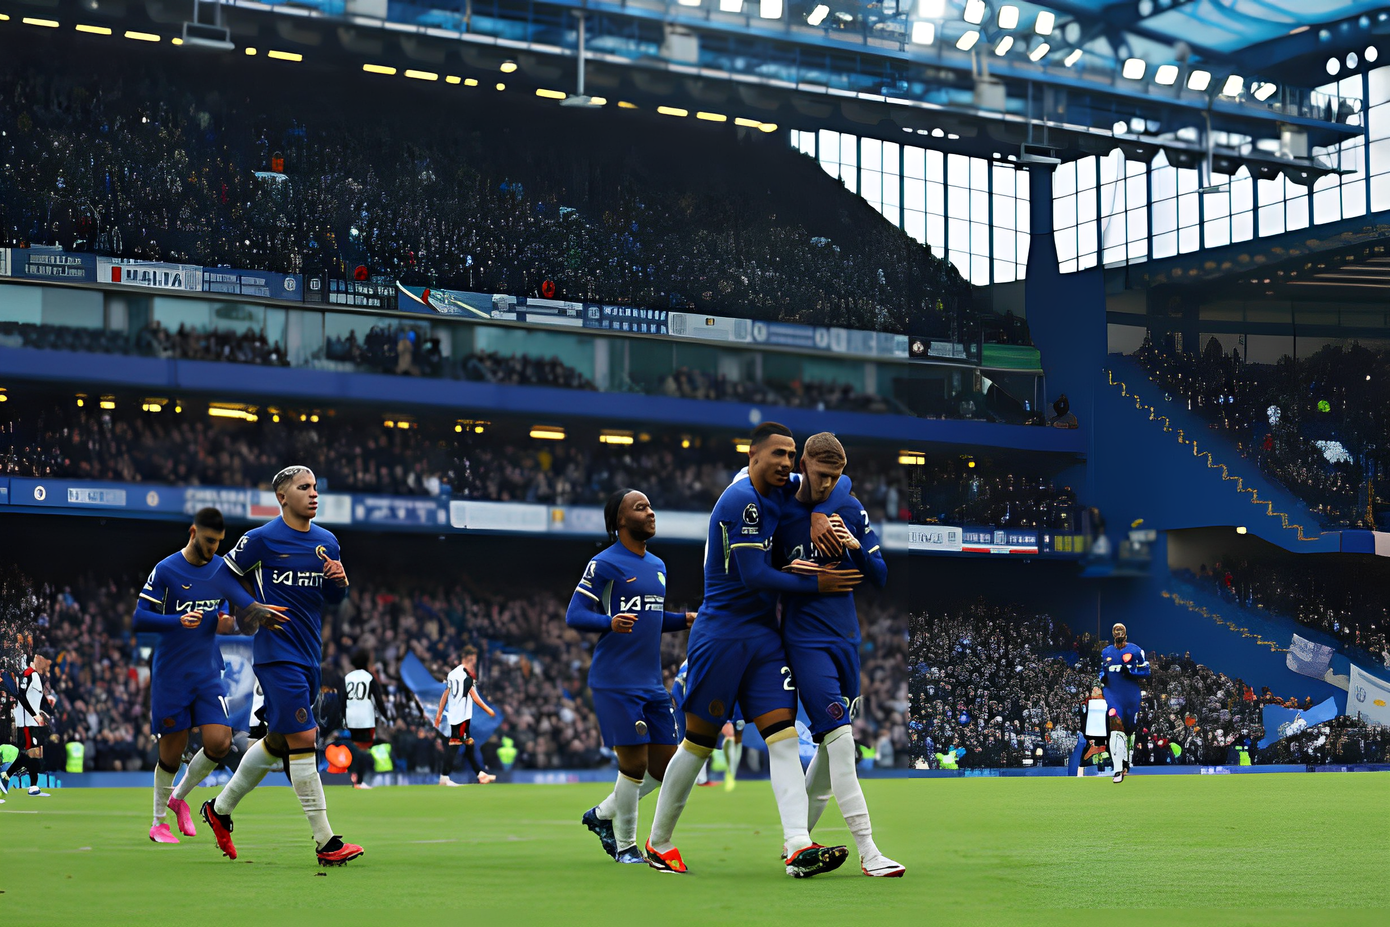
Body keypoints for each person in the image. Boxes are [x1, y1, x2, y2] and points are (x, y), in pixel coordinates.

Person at [644, 421, 862, 877]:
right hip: (722, 634)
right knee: (699, 744)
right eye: (777, 454)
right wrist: (817, 582)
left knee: (782, 738)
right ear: (753, 455)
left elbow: (835, 484)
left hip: (764, 638)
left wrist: (823, 513)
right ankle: (659, 841)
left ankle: (797, 845)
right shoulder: (742, 499)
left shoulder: (788, 487)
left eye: (791, 454)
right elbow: (754, 576)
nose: (785, 462)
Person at [200, 465, 364, 866]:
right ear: (282, 497)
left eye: (314, 487)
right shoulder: (261, 539)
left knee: (277, 743)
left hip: (310, 654)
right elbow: (220, 575)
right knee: (305, 738)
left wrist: (340, 583)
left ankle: (218, 811)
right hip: (276, 654)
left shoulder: (327, 542)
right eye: (303, 488)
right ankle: (326, 843)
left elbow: (332, 600)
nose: (313, 494)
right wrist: (250, 606)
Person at [777, 433, 903, 877]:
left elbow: (881, 575)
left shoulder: (847, 507)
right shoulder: (778, 507)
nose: (827, 483)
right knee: (842, 743)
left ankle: (798, 853)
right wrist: (786, 570)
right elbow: (760, 572)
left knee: (830, 761)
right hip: (805, 642)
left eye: (835, 476)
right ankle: (870, 853)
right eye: (820, 474)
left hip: (846, 640)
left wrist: (851, 544)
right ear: (804, 464)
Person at [133, 507, 283, 844]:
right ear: (193, 533)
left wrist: (245, 623)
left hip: (207, 668)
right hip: (172, 671)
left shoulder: (221, 571)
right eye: (209, 540)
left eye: (219, 542)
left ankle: (178, 798)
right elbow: (139, 618)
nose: (215, 547)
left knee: (220, 742)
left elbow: (226, 620)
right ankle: (158, 822)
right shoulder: (167, 570)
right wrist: (176, 621)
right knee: (172, 753)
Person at [570, 489, 695, 864]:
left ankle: (602, 814)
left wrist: (684, 619)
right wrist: (608, 622)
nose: (650, 512)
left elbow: (653, 618)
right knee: (635, 765)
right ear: (621, 520)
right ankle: (626, 847)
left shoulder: (658, 564)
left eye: (650, 505)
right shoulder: (604, 564)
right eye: (640, 508)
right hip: (614, 680)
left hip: (651, 682)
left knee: (665, 765)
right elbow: (574, 614)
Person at [434, 646, 497, 785]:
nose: (474, 662)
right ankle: (444, 777)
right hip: (461, 717)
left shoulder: (452, 674)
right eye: (473, 659)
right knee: (455, 746)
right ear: (468, 658)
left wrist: (439, 714)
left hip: (455, 715)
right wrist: (489, 710)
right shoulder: (467, 677)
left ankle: (480, 774)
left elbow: (445, 694)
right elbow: (474, 697)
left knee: (469, 746)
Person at [1099, 622, 1150, 783]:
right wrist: (1102, 678)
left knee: (1129, 730)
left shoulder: (1136, 650)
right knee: (1116, 726)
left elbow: (1146, 671)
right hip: (1113, 694)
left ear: (1126, 633)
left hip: (1131, 695)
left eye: (1121, 629)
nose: (1118, 631)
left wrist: (1132, 671)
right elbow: (1102, 670)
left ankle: (1127, 759)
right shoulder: (1106, 652)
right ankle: (1117, 769)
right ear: (1113, 634)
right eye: (1115, 629)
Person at [5, 649, 54, 797]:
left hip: (32, 722)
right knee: (28, 754)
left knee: (32, 755)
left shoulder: (36, 676)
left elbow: (33, 700)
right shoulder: (28, 674)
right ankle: (5, 777)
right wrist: (34, 715)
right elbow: (21, 696)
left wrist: (41, 714)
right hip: (26, 722)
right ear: (37, 658)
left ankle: (32, 786)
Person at [343, 647, 390, 789]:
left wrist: (342, 717)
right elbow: (379, 700)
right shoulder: (369, 678)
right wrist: (386, 716)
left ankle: (353, 777)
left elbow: (342, 699)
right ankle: (360, 781)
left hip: (351, 717)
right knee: (363, 749)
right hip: (365, 717)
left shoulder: (347, 678)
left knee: (355, 749)